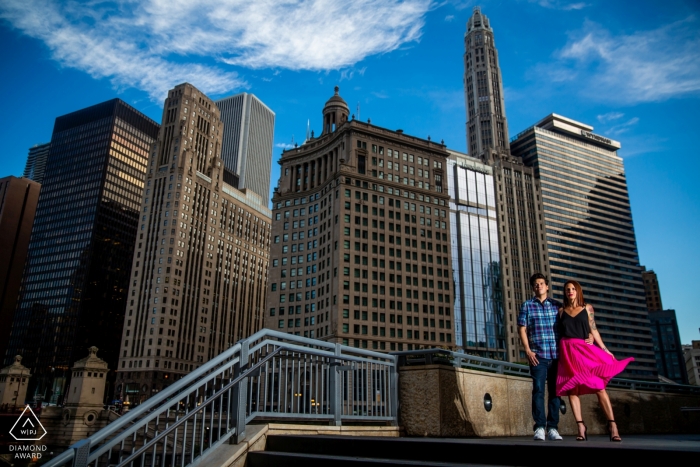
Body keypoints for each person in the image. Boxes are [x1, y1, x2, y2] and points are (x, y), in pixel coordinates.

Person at [556, 280, 634, 442]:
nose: (570, 291)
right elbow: (560, 333)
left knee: (599, 386)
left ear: (578, 291)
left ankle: (612, 425)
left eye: (573, 289)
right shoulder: (561, 311)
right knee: (572, 390)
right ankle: (581, 427)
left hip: (584, 351)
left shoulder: (587, 308)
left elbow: (594, 329)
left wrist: (605, 349)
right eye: (567, 289)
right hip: (568, 352)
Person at [517, 273, 564, 441]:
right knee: (538, 390)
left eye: (542, 283)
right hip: (538, 355)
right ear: (533, 287)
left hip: (557, 355)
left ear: (547, 286)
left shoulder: (557, 306)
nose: (539, 286)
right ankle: (539, 427)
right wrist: (528, 351)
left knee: (555, 392)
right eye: (536, 284)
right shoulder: (527, 306)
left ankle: (553, 427)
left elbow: (569, 326)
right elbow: (522, 328)